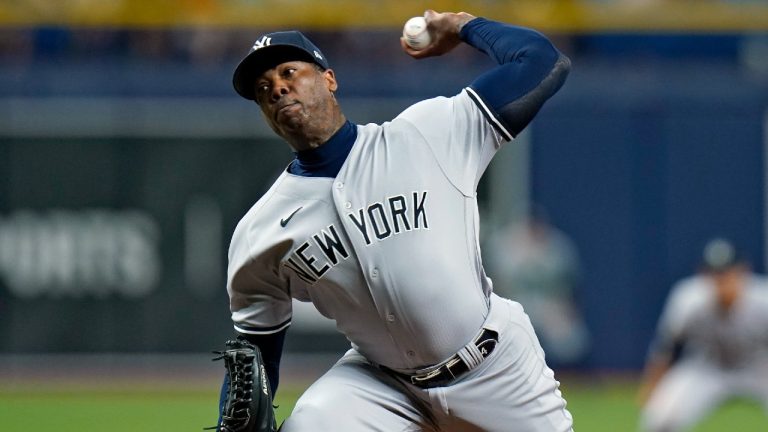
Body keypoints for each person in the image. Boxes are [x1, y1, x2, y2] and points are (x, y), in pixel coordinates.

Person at [218, 10, 573, 431]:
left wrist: (461, 26)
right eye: (263, 89)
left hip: (495, 367)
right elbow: (255, 358)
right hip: (381, 385)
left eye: (289, 71)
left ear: (329, 79)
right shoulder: (260, 232)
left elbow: (542, 62)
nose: (277, 87)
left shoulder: (427, 135)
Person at [638, 238, 768, 432]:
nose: (721, 280)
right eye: (715, 273)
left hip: (758, 367)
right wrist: (653, 386)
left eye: (727, 273)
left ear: (743, 271)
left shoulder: (763, 299)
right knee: (660, 419)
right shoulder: (688, 299)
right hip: (707, 367)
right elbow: (667, 347)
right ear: (704, 275)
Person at [487, 206, 590, 368]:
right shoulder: (503, 246)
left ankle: (566, 380)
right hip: (512, 306)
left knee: (571, 340)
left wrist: (568, 311)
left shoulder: (558, 247)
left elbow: (569, 289)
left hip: (549, 308)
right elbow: (493, 286)